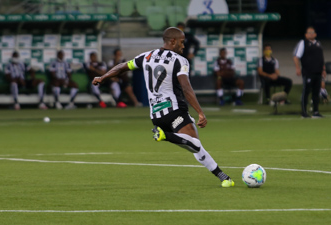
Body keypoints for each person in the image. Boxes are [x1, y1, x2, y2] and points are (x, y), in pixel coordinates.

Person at [92, 27, 234, 187]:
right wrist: (200, 112)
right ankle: (164, 136)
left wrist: (102, 77)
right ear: (172, 41)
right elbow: (186, 88)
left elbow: (121, 67)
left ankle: (224, 177)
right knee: (194, 144)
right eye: (181, 42)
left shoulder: (146, 56)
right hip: (174, 110)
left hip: (156, 116)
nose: (183, 46)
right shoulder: (180, 60)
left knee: (193, 143)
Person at [293, 26, 326, 118]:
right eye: (309, 32)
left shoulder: (318, 43)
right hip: (308, 71)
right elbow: (296, 56)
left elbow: (321, 58)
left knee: (316, 92)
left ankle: (316, 111)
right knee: (306, 91)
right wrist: (298, 68)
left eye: (312, 32)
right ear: (306, 35)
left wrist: (323, 69)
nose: (311, 34)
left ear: (315, 34)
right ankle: (304, 112)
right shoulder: (303, 43)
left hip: (318, 72)